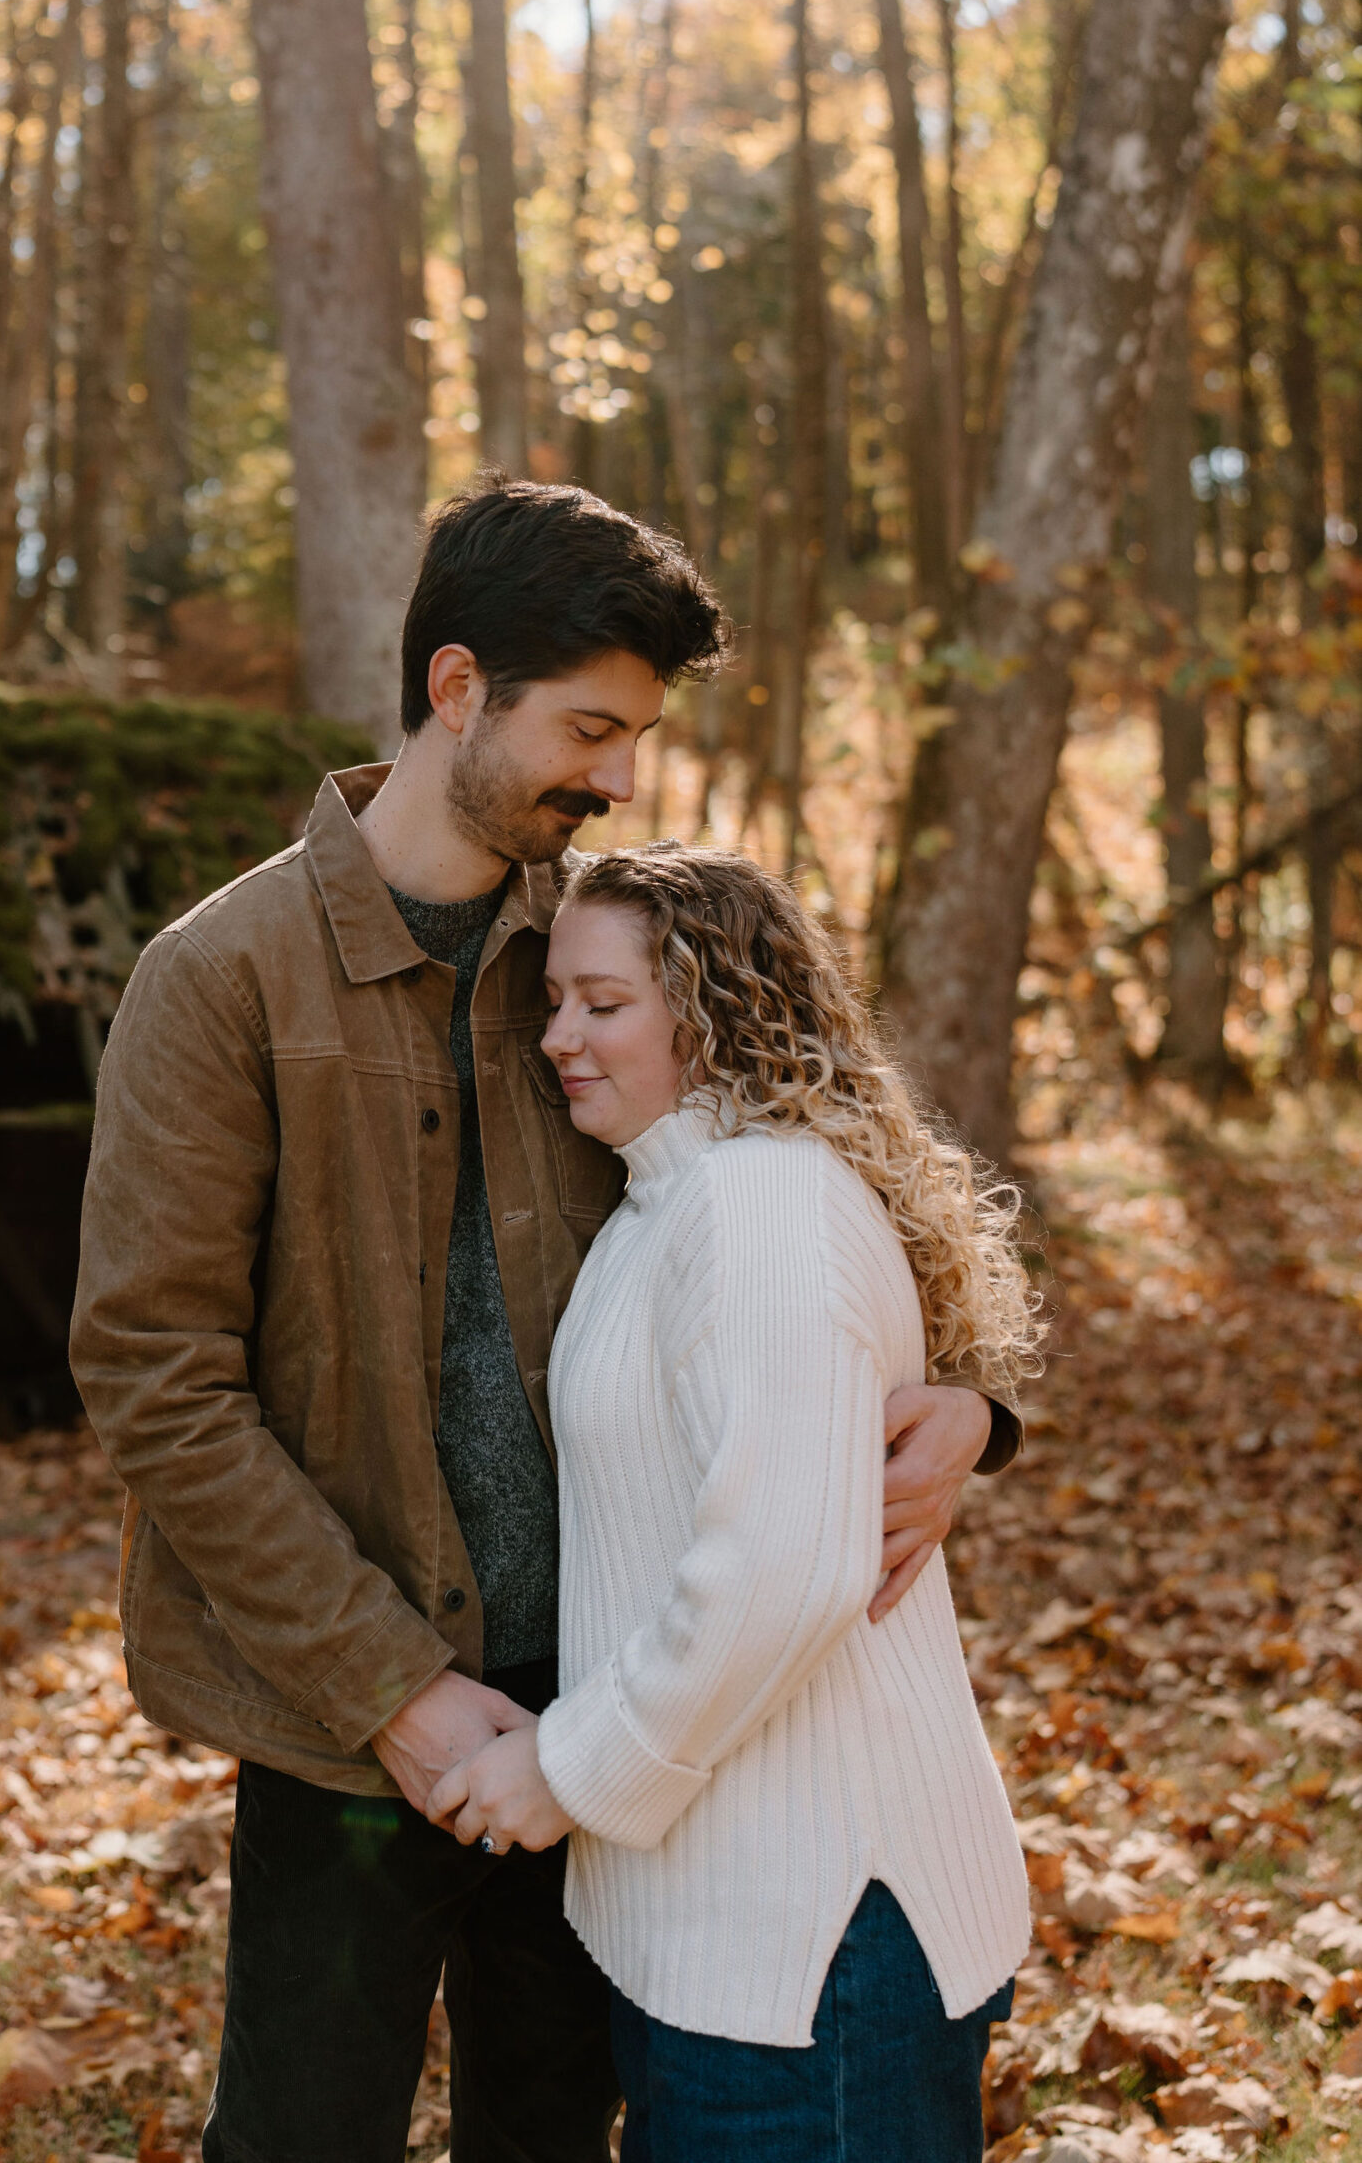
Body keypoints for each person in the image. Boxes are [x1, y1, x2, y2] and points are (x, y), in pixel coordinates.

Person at [69, 479, 1022, 2163]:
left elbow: (827, 1179)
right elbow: (155, 1377)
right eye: (590, 727)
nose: (619, 777)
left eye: (634, 736)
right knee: (300, 2137)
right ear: (457, 692)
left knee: (553, 2132)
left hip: (605, 1709)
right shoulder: (220, 978)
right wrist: (393, 1686)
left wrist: (966, 1398)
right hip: (343, 1721)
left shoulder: (605, 951)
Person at [429, 843, 1041, 2161]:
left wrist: (563, 1767)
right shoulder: (673, 1200)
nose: (559, 1040)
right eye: (555, 1004)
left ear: (717, 1008)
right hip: (721, 1922)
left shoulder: (757, 1208)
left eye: (604, 1004)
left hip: (820, 1934)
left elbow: (782, 1568)